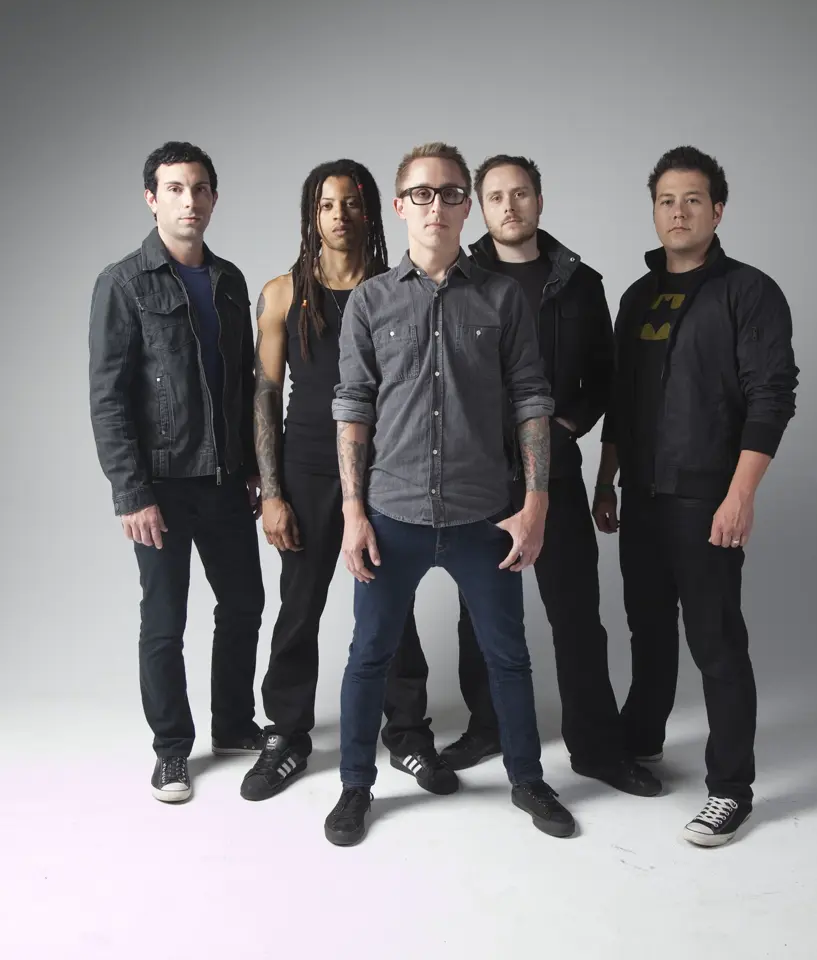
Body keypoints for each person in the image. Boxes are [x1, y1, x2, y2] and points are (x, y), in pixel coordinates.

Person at [325, 142, 576, 846]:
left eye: (450, 193)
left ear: (467, 204)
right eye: (422, 193)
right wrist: (351, 511)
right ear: (400, 205)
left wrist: (537, 501)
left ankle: (528, 780)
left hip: (483, 516)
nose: (437, 205)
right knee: (368, 656)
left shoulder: (501, 298)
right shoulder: (372, 301)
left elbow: (531, 398)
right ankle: (354, 787)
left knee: (508, 656)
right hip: (392, 513)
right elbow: (353, 405)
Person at [387, 154, 660, 798]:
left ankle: (596, 747)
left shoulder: (580, 282)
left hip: (553, 469)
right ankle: (488, 727)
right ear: (478, 206)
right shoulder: (460, 278)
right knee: (478, 613)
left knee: (574, 610)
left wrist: (565, 428)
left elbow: (605, 378)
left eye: (521, 194)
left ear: (540, 201)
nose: (509, 207)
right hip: (476, 470)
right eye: (495, 196)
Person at [593, 145, 799, 845]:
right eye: (665, 201)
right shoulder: (637, 296)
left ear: (718, 209)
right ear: (653, 212)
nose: (678, 213)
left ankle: (731, 787)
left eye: (692, 200)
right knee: (647, 630)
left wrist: (741, 496)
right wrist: (605, 481)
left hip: (708, 497)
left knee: (715, 642)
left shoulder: (749, 292)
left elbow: (772, 399)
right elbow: (620, 403)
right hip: (643, 498)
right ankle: (641, 739)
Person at [239, 160, 437, 800]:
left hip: (387, 466)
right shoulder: (281, 293)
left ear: (371, 212)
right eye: (328, 205)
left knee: (394, 604)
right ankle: (288, 735)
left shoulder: (394, 290)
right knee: (299, 607)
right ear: (312, 215)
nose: (340, 216)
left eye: (352, 204)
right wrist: (272, 492)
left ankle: (406, 733)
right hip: (306, 466)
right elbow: (266, 395)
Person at [89, 141, 265, 803]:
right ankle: (171, 751)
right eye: (174, 188)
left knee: (244, 603)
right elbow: (107, 396)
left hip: (223, 480)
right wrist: (131, 491)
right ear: (151, 198)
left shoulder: (229, 281)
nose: (189, 201)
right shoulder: (123, 282)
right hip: (159, 484)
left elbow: (242, 381)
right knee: (164, 621)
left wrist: (250, 468)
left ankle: (233, 725)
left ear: (213, 198)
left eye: (199, 189)